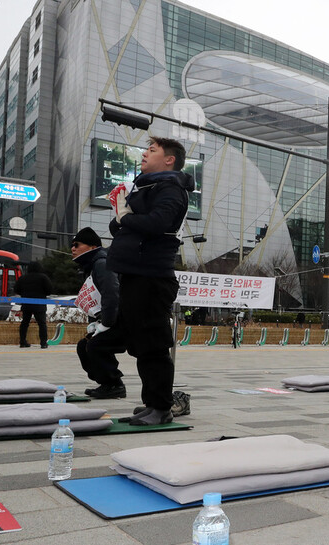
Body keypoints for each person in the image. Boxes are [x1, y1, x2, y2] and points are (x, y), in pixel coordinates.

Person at [108, 136, 195, 426]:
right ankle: (152, 403)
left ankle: (161, 407)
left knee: (153, 344)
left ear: (169, 160)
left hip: (152, 276)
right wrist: (119, 215)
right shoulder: (147, 187)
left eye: (152, 150)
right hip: (136, 273)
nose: (144, 154)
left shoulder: (170, 188)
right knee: (142, 344)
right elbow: (123, 226)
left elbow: (159, 223)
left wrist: (125, 218)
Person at [72, 228, 126, 399]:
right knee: (84, 346)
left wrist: (106, 323)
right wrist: (94, 323)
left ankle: (114, 384)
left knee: (95, 346)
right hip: (109, 319)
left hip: (120, 320)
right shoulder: (91, 266)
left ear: (92, 246)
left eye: (77, 245)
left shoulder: (102, 263)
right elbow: (95, 299)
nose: (72, 248)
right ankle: (107, 383)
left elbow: (111, 293)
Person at [14, 261, 53, 348]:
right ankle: (43, 343)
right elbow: (49, 290)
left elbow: (16, 289)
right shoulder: (43, 277)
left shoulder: (23, 278)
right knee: (42, 323)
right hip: (39, 303)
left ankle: (22, 342)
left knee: (25, 323)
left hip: (26, 303)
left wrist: (25, 294)